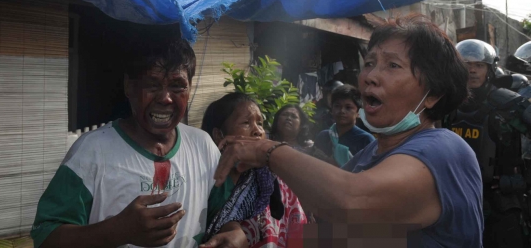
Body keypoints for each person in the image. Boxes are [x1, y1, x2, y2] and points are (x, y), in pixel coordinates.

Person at [213, 14, 483, 247]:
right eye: (369, 63)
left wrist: (268, 150)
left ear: (433, 93)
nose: (370, 76)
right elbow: (339, 233)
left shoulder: (444, 150)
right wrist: (252, 235)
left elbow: (352, 203)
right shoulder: (369, 154)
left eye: (392, 65)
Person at [31, 38, 246, 248]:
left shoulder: (203, 146)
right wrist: (116, 232)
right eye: (152, 85)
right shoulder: (91, 153)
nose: (166, 98)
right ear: (129, 87)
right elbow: (46, 237)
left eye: (177, 86)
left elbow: (225, 212)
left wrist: (234, 232)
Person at [442, 39, 531, 248]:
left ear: (489, 70)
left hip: (502, 203)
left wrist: (521, 180)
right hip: (459, 199)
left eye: (479, 65)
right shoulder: (449, 104)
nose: (472, 71)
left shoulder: (509, 105)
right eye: (466, 65)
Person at [201, 93, 307, 247]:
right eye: (246, 122)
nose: (258, 131)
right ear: (219, 135)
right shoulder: (206, 182)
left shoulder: (278, 184)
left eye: (260, 124)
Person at [314, 84, 375, 167]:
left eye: (348, 107)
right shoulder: (323, 136)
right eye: (337, 106)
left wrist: (329, 161)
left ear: (358, 112)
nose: (342, 111)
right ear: (331, 109)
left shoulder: (366, 140)